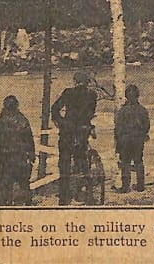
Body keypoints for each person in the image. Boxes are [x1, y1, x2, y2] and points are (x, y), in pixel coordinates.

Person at [51, 70, 98, 205]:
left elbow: (54, 109)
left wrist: (61, 123)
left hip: (67, 132)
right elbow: (90, 113)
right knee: (82, 162)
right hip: (82, 131)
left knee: (64, 163)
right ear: (87, 82)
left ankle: (64, 197)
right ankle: (83, 193)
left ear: (75, 81)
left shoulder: (68, 93)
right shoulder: (92, 95)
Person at [0, 95, 36, 206]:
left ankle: (5, 204)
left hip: (3, 159)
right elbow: (29, 140)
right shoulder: (22, 120)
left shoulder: (0, 122)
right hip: (19, 157)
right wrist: (31, 155)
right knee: (23, 182)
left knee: (4, 184)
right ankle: (27, 203)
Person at [114, 84, 150, 193]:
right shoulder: (142, 110)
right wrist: (143, 134)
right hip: (138, 139)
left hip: (125, 139)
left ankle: (125, 187)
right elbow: (147, 125)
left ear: (126, 96)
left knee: (125, 162)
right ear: (137, 95)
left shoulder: (122, 111)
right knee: (138, 161)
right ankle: (140, 185)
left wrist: (117, 142)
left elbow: (118, 128)